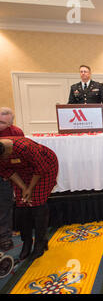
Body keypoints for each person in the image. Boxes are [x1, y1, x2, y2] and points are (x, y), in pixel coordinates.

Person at [0, 137, 58, 261]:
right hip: (20, 172)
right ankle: (26, 242)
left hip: (44, 169)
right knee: (21, 206)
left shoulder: (25, 147)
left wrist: (29, 188)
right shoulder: (2, 153)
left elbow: (40, 168)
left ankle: (40, 243)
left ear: (6, 151)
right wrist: (23, 187)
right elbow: (6, 170)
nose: (4, 160)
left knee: (37, 204)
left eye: (4, 157)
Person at [0, 108, 24, 252]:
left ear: (10, 124)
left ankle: (4, 238)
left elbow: (20, 155)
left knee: (4, 207)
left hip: (5, 175)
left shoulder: (16, 132)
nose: (1, 125)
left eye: (4, 123)